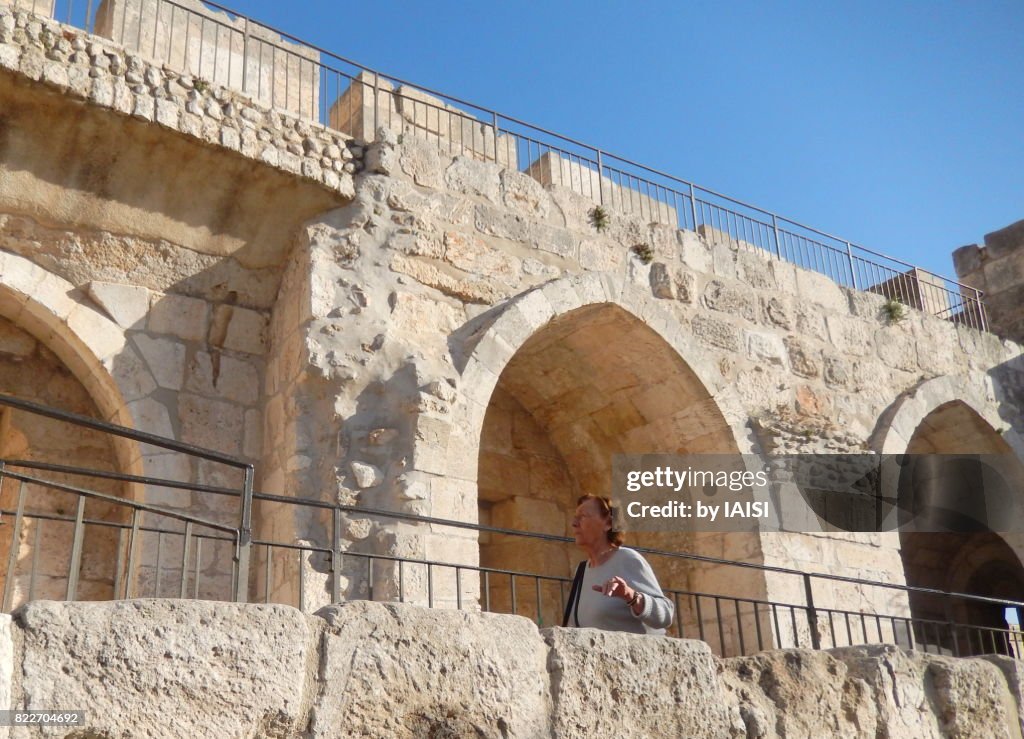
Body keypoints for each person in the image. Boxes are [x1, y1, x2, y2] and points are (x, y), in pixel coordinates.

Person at [562, 494, 674, 635]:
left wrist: (630, 595)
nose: (574, 523)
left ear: (608, 523)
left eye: (583, 516)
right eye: (575, 517)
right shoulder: (582, 571)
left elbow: (666, 614)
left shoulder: (627, 559)